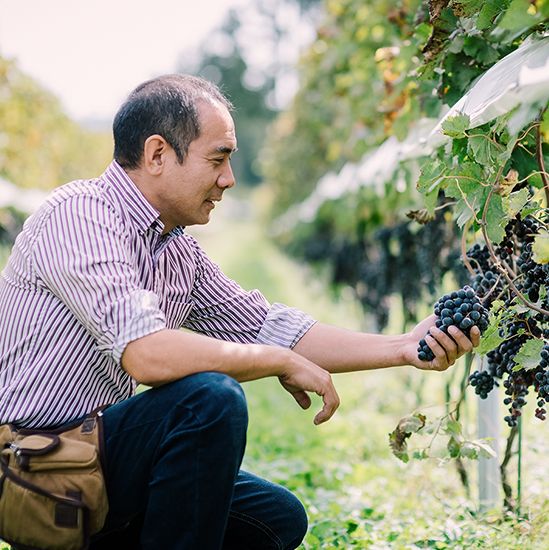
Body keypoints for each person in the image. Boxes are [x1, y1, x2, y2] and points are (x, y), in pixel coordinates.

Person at [0, 74, 479, 550]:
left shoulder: (175, 249)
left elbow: (269, 327)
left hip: (95, 457)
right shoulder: (80, 215)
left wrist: (403, 348)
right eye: (218, 159)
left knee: (276, 520)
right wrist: (277, 362)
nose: (228, 178)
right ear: (158, 154)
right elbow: (147, 355)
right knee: (208, 399)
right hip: (35, 468)